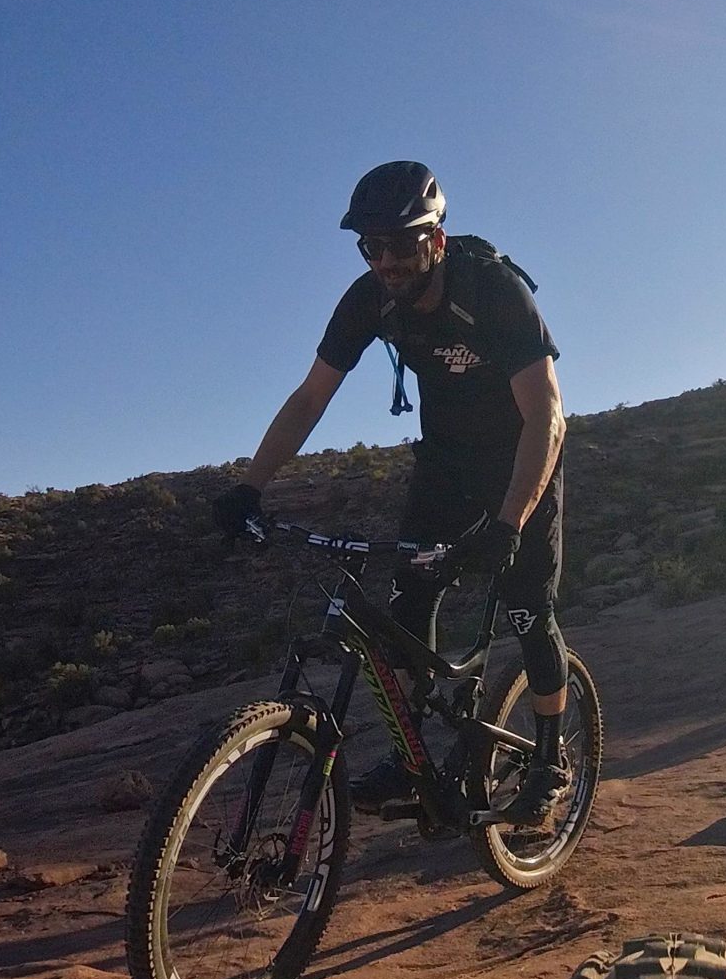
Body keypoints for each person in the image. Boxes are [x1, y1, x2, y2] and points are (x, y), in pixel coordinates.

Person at [210, 162, 574, 826]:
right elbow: (309, 397)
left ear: (435, 240)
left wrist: (511, 521)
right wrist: (247, 487)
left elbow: (546, 413)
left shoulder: (491, 290)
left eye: (400, 244)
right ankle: (415, 764)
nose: (386, 261)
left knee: (526, 609)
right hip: (445, 466)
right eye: (371, 247)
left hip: (522, 459)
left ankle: (550, 759)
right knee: (409, 606)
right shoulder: (368, 300)